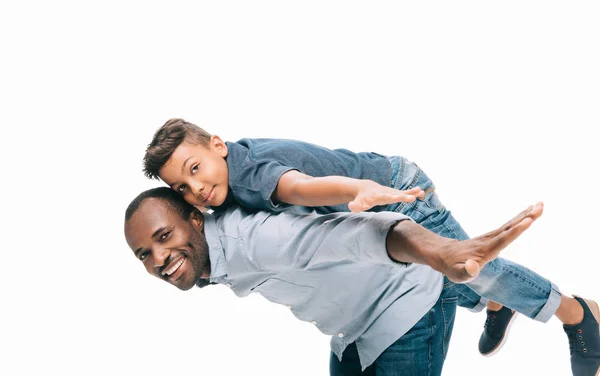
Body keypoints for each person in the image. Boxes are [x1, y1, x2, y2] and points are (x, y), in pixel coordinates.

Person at [141, 118, 599, 373]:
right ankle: (496, 307)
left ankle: (577, 314)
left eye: (195, 169)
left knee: (472, 264)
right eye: (180, 187)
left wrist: (355, 190)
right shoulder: (222, 194)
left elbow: (299, 188)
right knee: (452, 270)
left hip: (394, 194)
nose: (195, 189)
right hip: (363, 204)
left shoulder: (250, 173)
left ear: (217, 145)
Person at [124, 187, 547, 375]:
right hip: (353, 328)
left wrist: (438, 252)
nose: (159, 259)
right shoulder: (207, 256)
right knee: (470, 283)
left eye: (164, 237)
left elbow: (362, 233)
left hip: (405, 310)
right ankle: (490, 301)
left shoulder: (253, 242)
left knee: (448, 275)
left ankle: (572, 314)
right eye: (144, 254)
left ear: (194, 219)